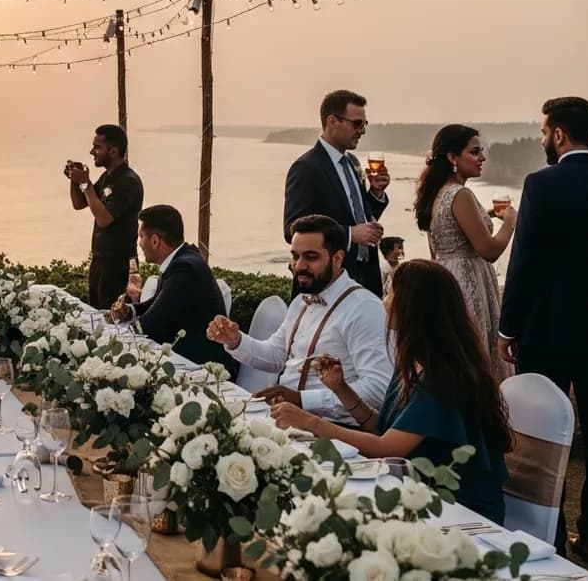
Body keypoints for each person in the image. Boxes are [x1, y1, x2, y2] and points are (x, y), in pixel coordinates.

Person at [497, 96, 588, 563]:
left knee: (542, 431)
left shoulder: (540, 184)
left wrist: (508, 326)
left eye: (545, 132)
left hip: (545, 329)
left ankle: (550, 533)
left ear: (559, 134)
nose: (544, 139)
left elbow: (523, 261)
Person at [269, 260, 512, 523]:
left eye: (390, 292)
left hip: (460, 509)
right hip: (419, 492)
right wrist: (341, 389)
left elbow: (386, 448)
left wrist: (310, 422)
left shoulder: (441, 378)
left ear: (411, 306)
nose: (384, 301)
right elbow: (382, 429)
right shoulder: (414, 363)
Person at [206, 214, 392, 423]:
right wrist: (235, 341)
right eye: (295, 256)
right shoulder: (301, 301)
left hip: (336, 430)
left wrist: (303, 400)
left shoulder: (364, 308)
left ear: (337, 258)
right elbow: (276, 356)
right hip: (286, 421)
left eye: (311, 257)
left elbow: (378, 388)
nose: (299, 266)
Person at [415, 125, 516, 383]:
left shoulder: (436, 193)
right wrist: (510, 222)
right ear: (452, 157)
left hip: (447, 277)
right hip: (469, 280)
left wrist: (486, 216)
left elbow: (439, 246)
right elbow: (489, 250)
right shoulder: (460, 194)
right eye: (474, 152)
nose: (482, 157)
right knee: (478, 350)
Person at [283, 90, 391, 296]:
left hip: (364, 276)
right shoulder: (306, 167)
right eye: (357, 124)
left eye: (364, 124)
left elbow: (357, 216)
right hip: (328, 282)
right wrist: (350, 234)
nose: (362, 131)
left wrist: (376, 193)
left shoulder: (352, 162)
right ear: (332, 121)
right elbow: (292, 229)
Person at [109, 205, 236, 373]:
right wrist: (129, 311)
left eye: (141, 236)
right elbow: (155, 304)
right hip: (187, 358)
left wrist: (111, 337)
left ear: (155, 241)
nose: (139, 243)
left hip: (203, 368)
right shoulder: (184, 257)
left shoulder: (184, 269)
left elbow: (151, 326)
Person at [66, 124, 144, 310]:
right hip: (100, 260)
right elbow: (80, 203)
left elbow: (104, 219)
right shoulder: (107, 178)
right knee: (97, 311)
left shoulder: (127, 181)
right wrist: (75, 180)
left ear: (113, 151)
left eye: (97, 147)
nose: (92, 152)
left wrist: (85, 183)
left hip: (118, 263)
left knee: (113, 315)